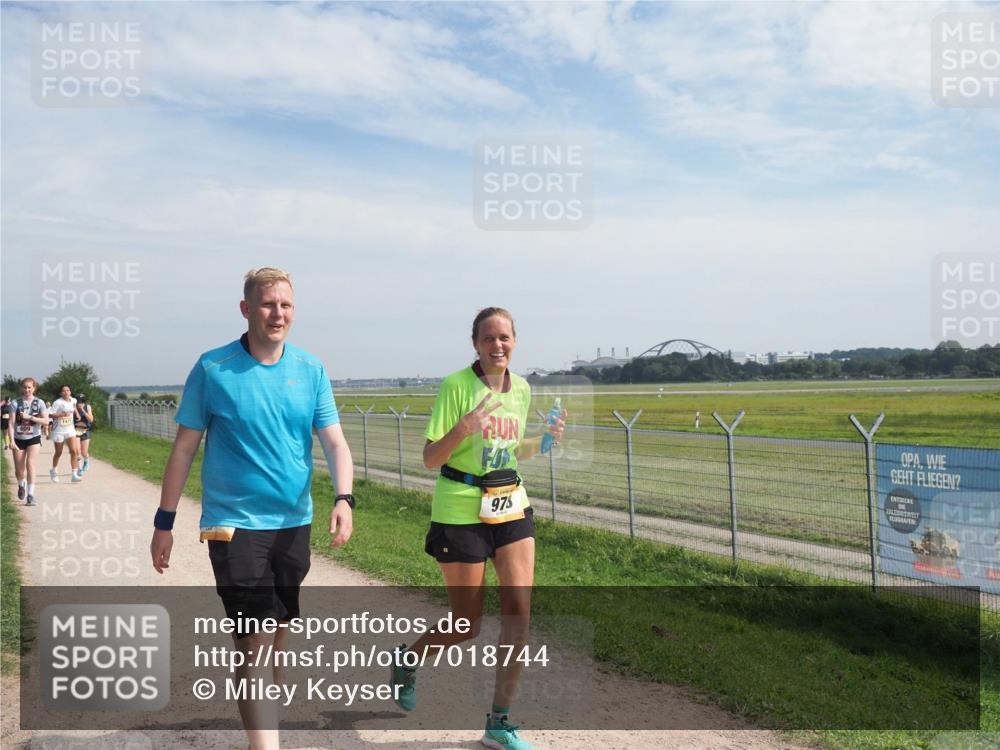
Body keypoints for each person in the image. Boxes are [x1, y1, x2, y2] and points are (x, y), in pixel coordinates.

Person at [149, 267, 355, 750]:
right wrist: (164, 523)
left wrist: (344, 498)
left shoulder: (311, 369)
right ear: (246, 309)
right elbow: (183, 449)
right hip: (233, 525)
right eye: (267, 304)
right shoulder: (213, 368)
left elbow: (335, 443)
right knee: (256, 640)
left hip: (293, 523)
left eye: (285, 304)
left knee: (280, 627)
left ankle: (265, 708)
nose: (277, 313)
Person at [390, 307, 565, 750]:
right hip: (460, 509)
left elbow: (507, 453)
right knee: (467, 624)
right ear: (475, 344)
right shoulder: (457, 386)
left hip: (510, 506)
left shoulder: (521, 389)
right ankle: (408, 659)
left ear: (515, 341)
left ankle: (499, 722)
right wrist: (462, 429)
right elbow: (431, 458)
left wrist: (544, 441)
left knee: (518, 615)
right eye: (488, 338)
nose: (497, 345)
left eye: (504, 337)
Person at [8, 378, 49, 506]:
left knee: (30, 464)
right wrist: (11, 441)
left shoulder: (40, 402)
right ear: (21, 388)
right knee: (19, 470)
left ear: (34, 388)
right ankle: (21, 485)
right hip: (19, 438)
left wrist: (30, 417)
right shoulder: (15, 403)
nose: (27, 390)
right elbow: (11, 423)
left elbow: (46, 421)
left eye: (29, 387)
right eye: (25, 387)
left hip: (34, 437)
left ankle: (30, 495)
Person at [49, 385, 83, 483]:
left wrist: (76, 414)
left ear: (70, 392)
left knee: (74, 451)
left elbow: (73, 406)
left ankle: (74, 474)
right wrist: (61, 415)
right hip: (59, 430)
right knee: (58, 452)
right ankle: (53, 470)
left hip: (70, 429)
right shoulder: (57, 403)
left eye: (68, 390)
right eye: (63, 391)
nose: (66, 392)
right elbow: (50, 414)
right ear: (60, 393)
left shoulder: (73, 400)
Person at [74, 393, 94, 472]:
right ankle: (79, 468)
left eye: (82, 401)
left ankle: (86, 461)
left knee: (84, 452)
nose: (80, 403)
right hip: (75, 431)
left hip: (86, 431)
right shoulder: (73, 407)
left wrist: (82, 410)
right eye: (78, 401)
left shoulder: (87, 407)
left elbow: (91, 420)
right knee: (77, 451)